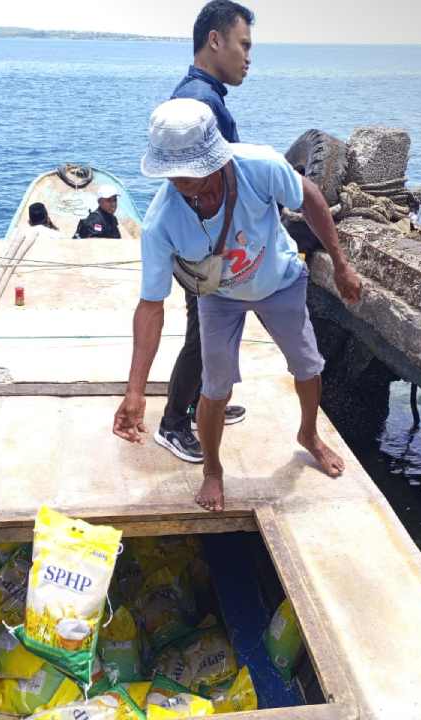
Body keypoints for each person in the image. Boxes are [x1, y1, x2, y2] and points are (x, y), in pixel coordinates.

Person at [112, 99, 363, 512]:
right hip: (219, 298)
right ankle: (213, 469)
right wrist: (135, 391)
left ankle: (309, 434)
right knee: (215, 388)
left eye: (192, 172)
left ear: (215, 156)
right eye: (173, 174)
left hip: (279, 281)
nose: (183, 182)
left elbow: (312, 197)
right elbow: (150, 306)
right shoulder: (161, 222)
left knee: (309, 366)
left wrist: (340, 263)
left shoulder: (259, 166)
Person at [152, 0, 255, 464]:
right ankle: (174, 423)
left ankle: (200, 404)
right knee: (204, 333)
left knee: (210, 331)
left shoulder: (201, 94)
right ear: (215, 41)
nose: (248, 57)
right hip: (202, 244)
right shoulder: (200, 101)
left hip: (207, 242)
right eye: (243, 44)